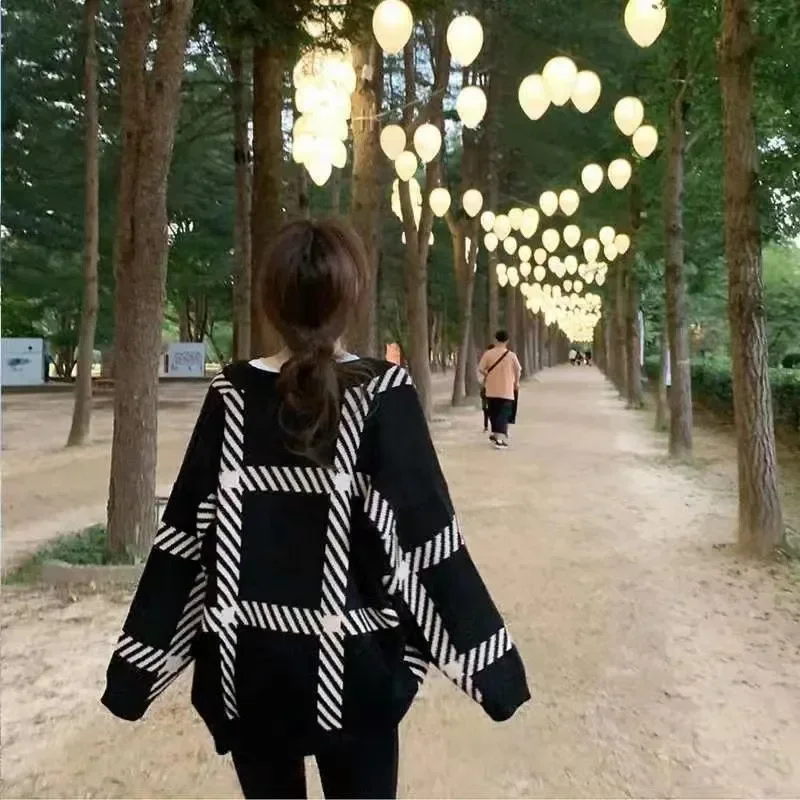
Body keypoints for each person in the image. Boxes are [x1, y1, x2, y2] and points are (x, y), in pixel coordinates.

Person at [100, 219, 530, 800]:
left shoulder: (230, 394)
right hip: (355, 674)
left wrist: (135, 675)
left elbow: (184, 542)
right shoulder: (383, 393)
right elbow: (428, 541)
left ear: (271, 302)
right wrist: (494, 672)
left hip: (246, 672)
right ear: (350, 300)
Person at [478, 331, 521, 450]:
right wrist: (516, 382)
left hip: (491, 389)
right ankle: (499, 440)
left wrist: (487, 374)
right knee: (503, 414)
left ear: (495, 340)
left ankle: (496, 435)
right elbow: (518, 370)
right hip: (507, 390)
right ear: (507, 341)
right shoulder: (512, 355)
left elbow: (480, 368)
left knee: (494, 413)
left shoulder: (488, 354)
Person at [479, 342, 494, 433]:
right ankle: (490, 426)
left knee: (486, 408)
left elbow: (481, 369)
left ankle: (486, 426)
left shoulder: (487, 357)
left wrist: (487, 374)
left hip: (487, 386)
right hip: (493, 386)